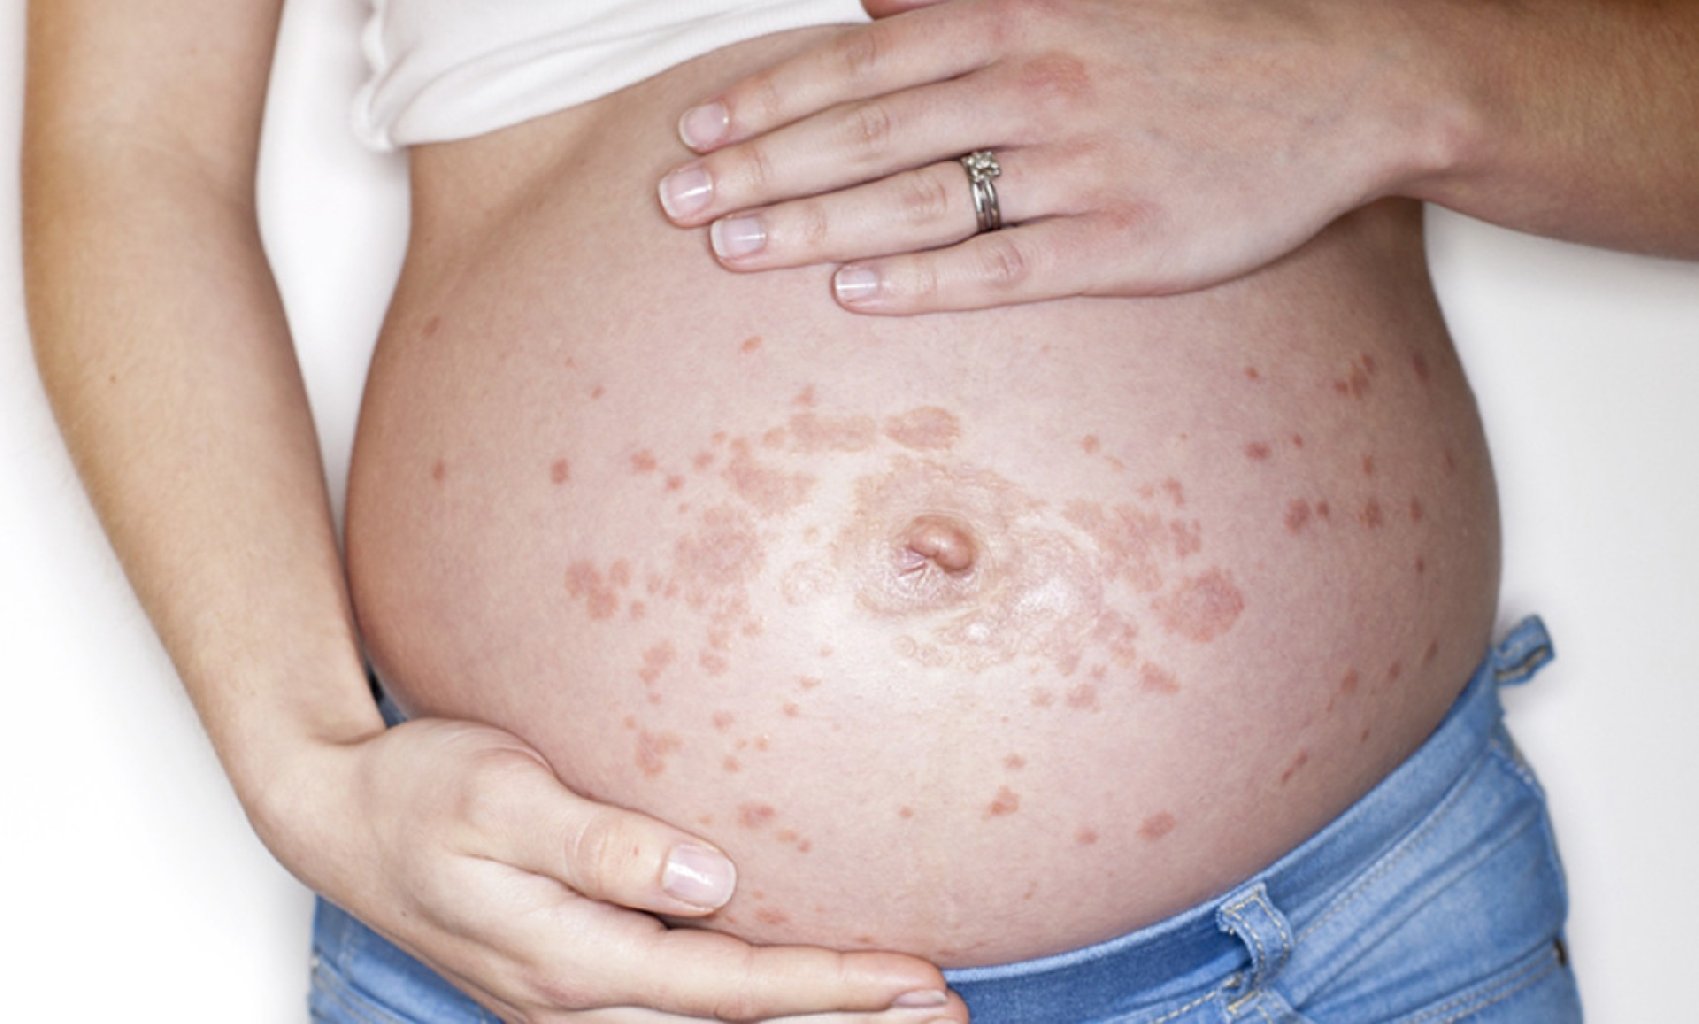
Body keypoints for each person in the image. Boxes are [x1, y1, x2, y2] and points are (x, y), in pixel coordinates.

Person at [18, 1, 1696, 1022]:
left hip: (1350, 940)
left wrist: (1397, 77)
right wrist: (309, 769)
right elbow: (126, 148)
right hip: (573, 967)